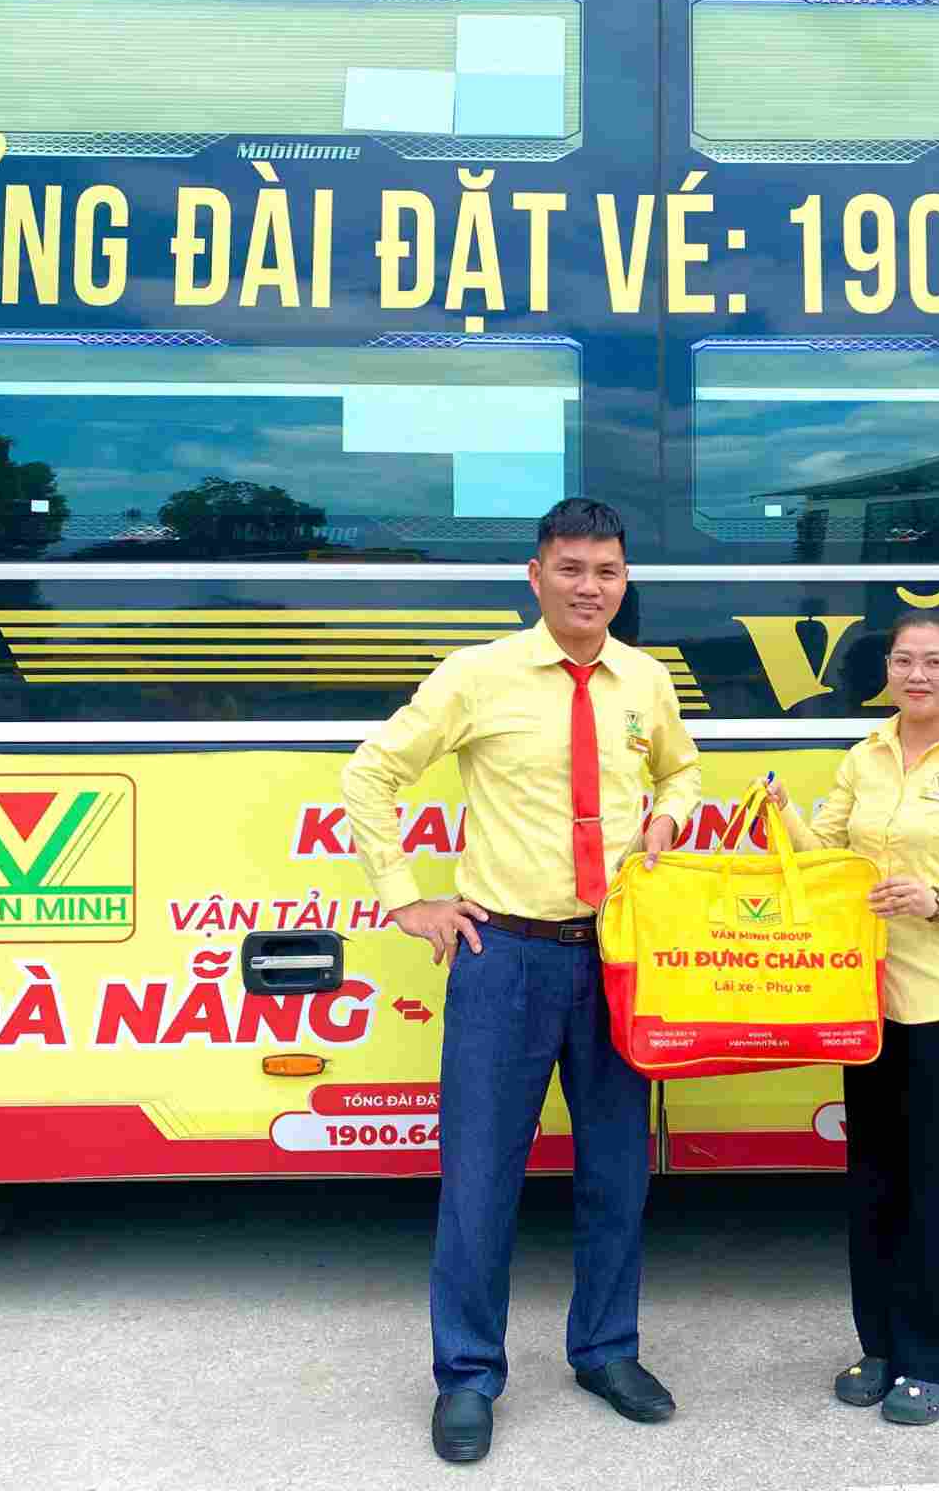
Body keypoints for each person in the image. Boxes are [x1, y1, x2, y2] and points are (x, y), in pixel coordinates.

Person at [341, 498, 701, 1464]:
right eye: (573, 568)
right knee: (481, 1179)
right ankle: (466, 1376)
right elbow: (371, 775)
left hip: (621, 957)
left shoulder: (644, 678)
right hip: (507, 958)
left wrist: (667, 820)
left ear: (626, 583)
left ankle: (606, 1350)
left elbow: (683, 773)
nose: (591, 588)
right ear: (534, 575)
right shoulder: (477, 675)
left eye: (609, 572)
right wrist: (405, 899)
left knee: (618, 1171)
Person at [765, 610, 939, 1426]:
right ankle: (879, 1343)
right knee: (874, 1183)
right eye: (901, 661)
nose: (915, 675)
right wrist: (779, 810)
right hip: (869, 1003)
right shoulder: (863, 756)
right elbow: (822, 856)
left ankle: (931, 1357)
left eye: (933, 662)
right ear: (885, 672)